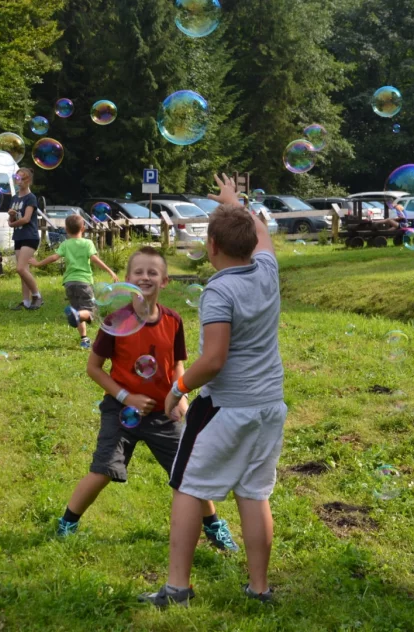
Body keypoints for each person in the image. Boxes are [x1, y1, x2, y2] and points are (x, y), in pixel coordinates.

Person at [140, 174, 287, 607]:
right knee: (254, 492)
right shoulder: (266, 269)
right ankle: (259, 589)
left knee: (188, 486)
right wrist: (235, 203)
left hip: (227, 408)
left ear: (212, 247)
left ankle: (176, 589)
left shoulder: (219, 290)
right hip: (268, 407)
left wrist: (178, 385)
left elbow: (214, 359)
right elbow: (260, 234)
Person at [54, 245, 239, 556]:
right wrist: (127, 397)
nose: (145, 277)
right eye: (138, 272)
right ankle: (68, 521)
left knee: (189, 471)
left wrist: (180, 394)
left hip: (164, 411)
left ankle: (213, 526)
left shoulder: (173, 321)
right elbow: (93, 368)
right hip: (121, 409)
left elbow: (179, 363)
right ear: (126, 280)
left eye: (152, 272)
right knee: (102, 470)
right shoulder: (114, 322)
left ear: (164, 281)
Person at [29, 213, 119, 349]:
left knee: (78, 311)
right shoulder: (88, 243)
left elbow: (54, 257)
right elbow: (95, 259)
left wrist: (37, 263)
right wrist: (110, 271)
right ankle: (77, 317)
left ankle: (84, 338)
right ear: (83, 228)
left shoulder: (65, 244)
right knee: (90, 312)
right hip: (84, 283)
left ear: (66, 229)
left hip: (69, 283)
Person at [7, 168, 43, 310]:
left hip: (30, 236)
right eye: (17, 178)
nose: (19, 181)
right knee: (24, 271)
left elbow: (27, 219)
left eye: (22, 178)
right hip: (19, 237)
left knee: (20, 268)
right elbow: (13, 218)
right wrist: (11, 216)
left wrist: (12, 223)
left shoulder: (31, 198)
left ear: (28, 180)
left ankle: (37, 295)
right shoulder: (15, 198)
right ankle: (26, 302)